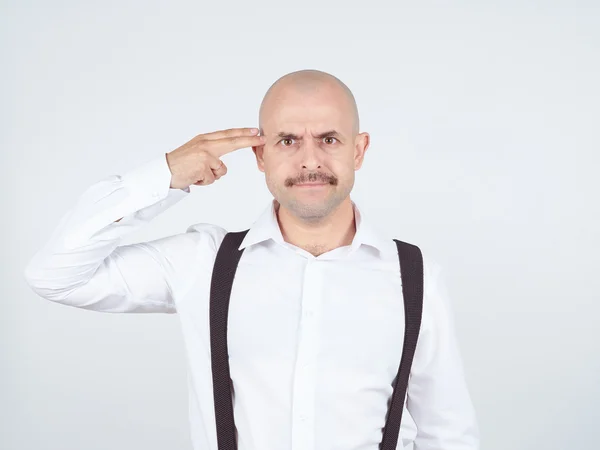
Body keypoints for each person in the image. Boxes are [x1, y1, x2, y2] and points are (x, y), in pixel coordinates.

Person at [24, 69, 479, 450]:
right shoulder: (203, 264)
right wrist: (165, 174)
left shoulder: (415, 278)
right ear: (260, 155)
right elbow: (54, 277)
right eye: (286, 141)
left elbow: (449, 433)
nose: (309, 160)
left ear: (358, 150)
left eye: (329, 139)